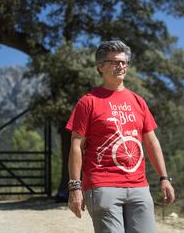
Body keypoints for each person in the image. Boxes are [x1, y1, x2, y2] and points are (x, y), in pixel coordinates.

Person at [65, 40, 175, 233]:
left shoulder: (138, 101)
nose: (121, 66)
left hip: (139, 186)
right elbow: (76, 146)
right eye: (115, 62)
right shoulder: (88, 102)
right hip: (102, 185)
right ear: (100, 66)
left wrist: (164, 178)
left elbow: (151, 142)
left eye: (124, 62)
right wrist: (75, 187)